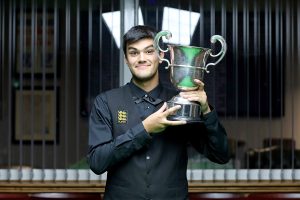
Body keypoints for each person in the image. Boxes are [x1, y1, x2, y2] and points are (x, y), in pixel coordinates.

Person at [87, 25, 229, 200]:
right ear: (125, 58)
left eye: (149, 51)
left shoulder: (181, 103)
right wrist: (144, 129)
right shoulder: (106, 102)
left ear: (161, 55)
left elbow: (221, 155)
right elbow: (97, 162)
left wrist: (206, 110)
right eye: (133, 53)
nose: (141, 58)